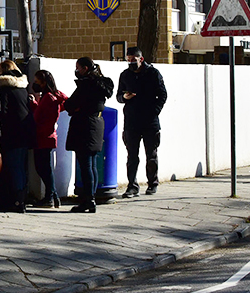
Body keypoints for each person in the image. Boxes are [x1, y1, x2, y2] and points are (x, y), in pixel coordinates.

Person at [116, 47, 167, 198]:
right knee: (132, 156)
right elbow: (118, 96)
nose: (131, 63)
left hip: (150, 121)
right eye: (128, 60)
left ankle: (152, 183)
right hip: (131, 121)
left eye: (133, 60)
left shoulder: (153, 73)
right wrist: (125, 97)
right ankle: (132, 186)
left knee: (151, 154)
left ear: (141, 59)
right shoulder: (125, 75)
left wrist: (154, 111)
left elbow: (163, 94)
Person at [65, 58, 114, 212]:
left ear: (85, 68)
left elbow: (70, 104)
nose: (77, 70)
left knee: (85, 164)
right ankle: (90, 197)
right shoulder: (101, 85)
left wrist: (75, 109)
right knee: (91, 164)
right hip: (97, 123)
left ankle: (88, 200)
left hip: (84, 125)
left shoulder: (86, 85)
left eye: (78, 68)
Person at [0, 60, 36, 213]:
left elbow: (3, 112)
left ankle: (17, 201)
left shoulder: (5, 89)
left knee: (13, 167)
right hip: (25, 132)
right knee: (21, 166)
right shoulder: (22, 88)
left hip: (12, 133)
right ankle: (22, 198)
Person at [29, 70, 69, 208]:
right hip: (48, 136)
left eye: (36, 81)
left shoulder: (48, 98)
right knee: (44, 167)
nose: (34, 84)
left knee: (43, 168)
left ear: (44, 82)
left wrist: (33, 103)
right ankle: (53, 196)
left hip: (43, 136)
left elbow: (38, 116)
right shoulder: (53, 96)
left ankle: (50, 196)